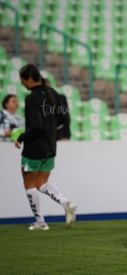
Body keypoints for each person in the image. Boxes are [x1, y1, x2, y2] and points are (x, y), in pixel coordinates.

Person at [15, 64, 77, 230]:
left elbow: (36, 127)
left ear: (29, 79)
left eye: (22, 81)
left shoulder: (32, 98)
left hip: (34, 148)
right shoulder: (52, 93)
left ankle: (40, 222)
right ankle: (66, 202)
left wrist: (21, 137)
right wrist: (51, 131)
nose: (22, 84)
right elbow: (63, 118)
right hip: (50, 146)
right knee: (42, 183)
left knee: (29, 184)